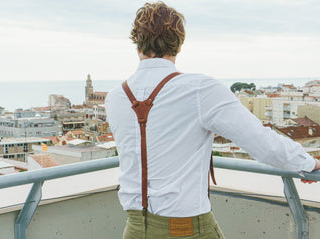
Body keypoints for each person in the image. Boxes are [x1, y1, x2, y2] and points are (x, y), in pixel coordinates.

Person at [105, 2, 320, 238]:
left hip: (134, 229)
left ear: (137, 43)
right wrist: (307, 163)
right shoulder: (199, 89)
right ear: (178, 43)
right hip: (186, 230)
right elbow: (260, 141)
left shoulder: (115, 98)